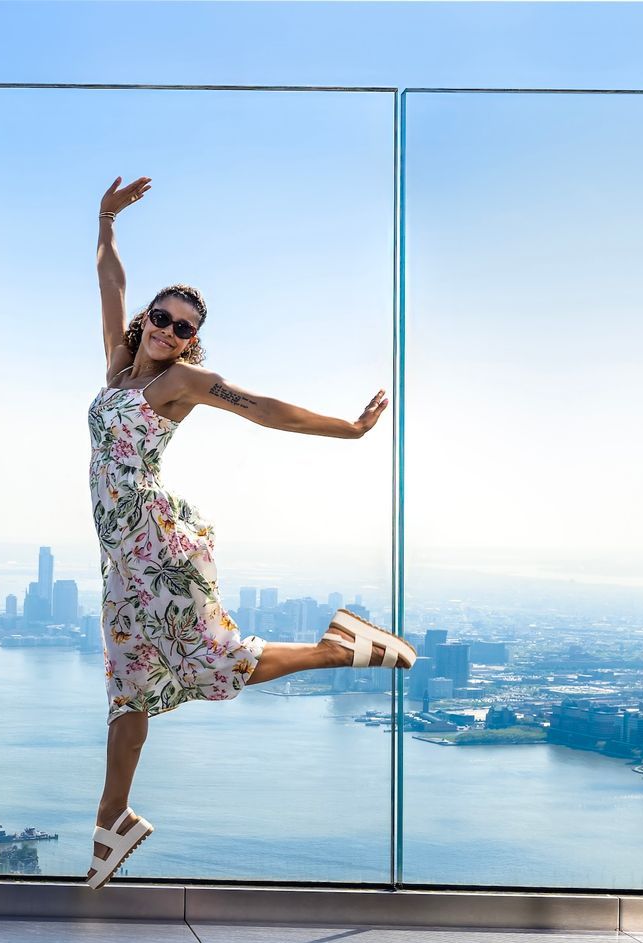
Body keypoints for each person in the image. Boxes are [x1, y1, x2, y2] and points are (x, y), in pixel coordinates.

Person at [86, 176, 413, 890]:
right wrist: (107, 221)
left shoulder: (181, 385)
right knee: (129, 688)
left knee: (218, 662)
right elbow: (110, 280)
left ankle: (340, 647)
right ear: (147, 320)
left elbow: (264, 408)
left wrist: (349, 428)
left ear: (193, 343)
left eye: (185, 329)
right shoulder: (117, 368)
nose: (171, 332)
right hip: (120, 564)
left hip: (155, 549)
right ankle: (113, 818)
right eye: (163, 319)